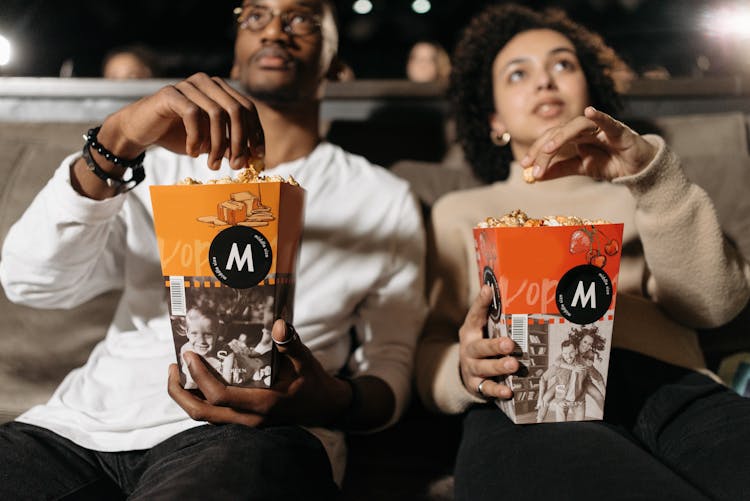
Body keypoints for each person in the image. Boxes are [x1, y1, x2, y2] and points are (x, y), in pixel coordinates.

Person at [0, 0, 425, 498]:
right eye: (256, 17)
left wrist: (328, 399)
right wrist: (115, 142)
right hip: (75, 429)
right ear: (236, 56)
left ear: (337, 61)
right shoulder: (157, 166)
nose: (275, 32)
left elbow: (391, 366)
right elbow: (31, 282)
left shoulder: (381, 197)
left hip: (249, 437)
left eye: (302, 19)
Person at [415, 4, 750, 500]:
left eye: (563, 65)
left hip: (672, 390)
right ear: (493, 120)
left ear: (590, 90)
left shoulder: (644, 189)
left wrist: (652, 179)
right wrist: (463, 371)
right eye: (517, 74)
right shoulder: (460, 212)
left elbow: (714, 305)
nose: (545, 82)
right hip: (527, 396)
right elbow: (431, 348)